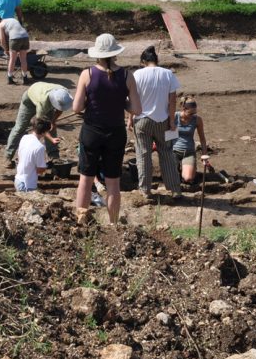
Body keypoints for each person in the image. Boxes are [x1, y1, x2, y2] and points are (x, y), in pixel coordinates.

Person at [72, 33, 141, 225]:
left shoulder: (88, 74)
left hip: (92, 132)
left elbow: (76, 108)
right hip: (116, 133)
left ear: (97, 54)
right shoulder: (127, 76)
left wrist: (91, 100)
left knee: (85, 179)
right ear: (115, 53)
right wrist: (121, 102)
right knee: (113, 183)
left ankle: (81, 220)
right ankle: (113, 224)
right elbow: (136, 109)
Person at [130, 46, 182, 197]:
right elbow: (172, 100)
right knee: (167, 153)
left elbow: (133, 99)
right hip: (163, 120)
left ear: (143, 61)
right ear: (156, 60)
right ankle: (174, 190)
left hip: (142, 120)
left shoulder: (137, 74)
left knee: (143, 155)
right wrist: (172, 121)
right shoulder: (168, 74)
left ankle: (145, 190)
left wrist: (130, 118)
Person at [5, 82, 72, 167]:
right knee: (20, 127)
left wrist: (53, 121)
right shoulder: (43, 103)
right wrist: (51, 139)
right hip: (29, 99)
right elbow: (40, 125)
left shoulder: (64, 94)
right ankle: (8, 156)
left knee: (51, 128)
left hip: (44, 95)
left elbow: (60, 108)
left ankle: (54, 156)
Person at [172, 96, 208, 184]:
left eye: (194, 113)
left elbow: (202, 139)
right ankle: (175, 168)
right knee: (171, 177)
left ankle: (186, 170)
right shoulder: (174, 117)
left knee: (188, 178)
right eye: (190, 113)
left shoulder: (197, 120)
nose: (192, 115)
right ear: (184, 109)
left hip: (188, 152)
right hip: (173, 151)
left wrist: (204, 155)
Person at [14, 118, 51, 192]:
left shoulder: (24, 137)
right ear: (44, 132)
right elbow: (40, 170)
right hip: (27, 185)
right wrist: (46, 166)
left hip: (18, 180)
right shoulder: (40, 147)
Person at [0, 16, 31, 85]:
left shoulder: (0, 25)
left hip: (15, 38)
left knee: (12, 59)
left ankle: (10, 78)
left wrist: (5, 50)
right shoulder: (12, 19)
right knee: (23, 59)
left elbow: (2, 40)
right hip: (25, 37)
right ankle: (25, 78)